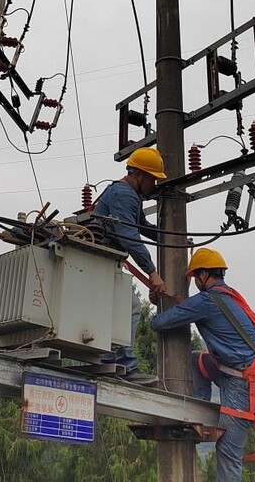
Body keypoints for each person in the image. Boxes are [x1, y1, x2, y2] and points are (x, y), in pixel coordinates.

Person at [150, 247, 255, 482]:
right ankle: (200, 409)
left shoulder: (205, 301)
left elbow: (159, 323)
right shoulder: (229, 296)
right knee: (197, 358)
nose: (195, 281)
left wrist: (159, 303)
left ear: (204, 275)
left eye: (195, 276)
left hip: (243, 387)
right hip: (245, 375)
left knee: (228, 453)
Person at [92, 147, 167, 385]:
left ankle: (108, 359)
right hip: (101, 259)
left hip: (102, 260)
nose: (154, 185)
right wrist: (152, 271)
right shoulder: (125, 194)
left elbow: (140, 225)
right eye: (153, 179)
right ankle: (123, 364)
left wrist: (168, 236)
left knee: (119, 307)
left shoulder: (125, 193)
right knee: (129, 306)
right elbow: (128, 235)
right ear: (140, 175)